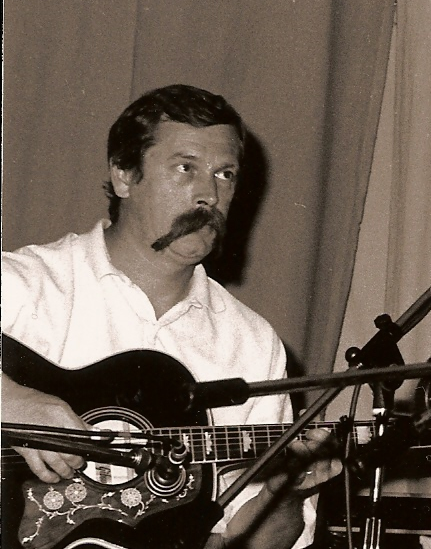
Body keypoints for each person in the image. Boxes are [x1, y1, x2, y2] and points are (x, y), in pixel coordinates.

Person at [2, 84, 342, 549]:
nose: (209, 194)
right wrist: (12, 401)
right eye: (186, 168)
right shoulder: (23, 283)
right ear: (124, 174)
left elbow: (251, 537)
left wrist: (290, 490)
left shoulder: (251, 342)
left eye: (225, 174)